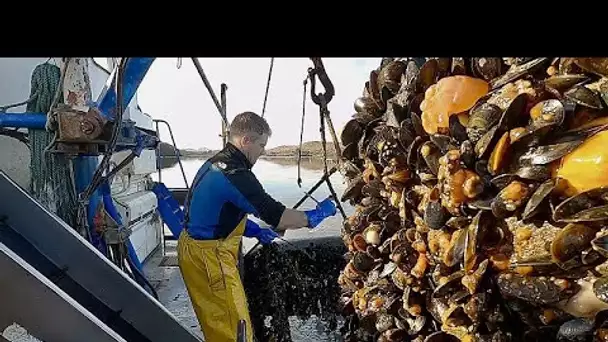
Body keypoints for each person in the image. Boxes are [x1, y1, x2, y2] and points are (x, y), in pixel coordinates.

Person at [177, 111, 337, 342]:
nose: (263, 151)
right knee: (234, 331)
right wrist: (316, 216)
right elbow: (279, 217)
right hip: (210, 260)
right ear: (246, 141)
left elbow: (213, 214)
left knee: (218, 323)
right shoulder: (235, 174)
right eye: (261, 145)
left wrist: (254, 230)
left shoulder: (215, 164)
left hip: (195, 249)